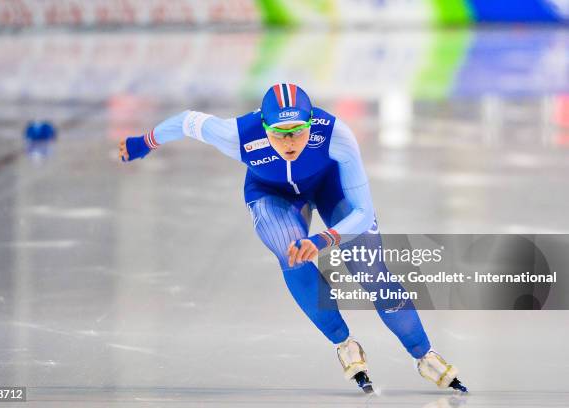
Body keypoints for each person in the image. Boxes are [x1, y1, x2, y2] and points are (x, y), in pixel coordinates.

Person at [119, 83, 467, 393]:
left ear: (311, 123)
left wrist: (323, 240)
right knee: (290, 253)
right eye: (280, 133)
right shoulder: (237, 133)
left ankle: (425, 354)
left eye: (298, 131)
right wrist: (144, 143)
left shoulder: (335, 133)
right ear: (264, 126)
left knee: (369, 269)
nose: (290, 142)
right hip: (272, 194)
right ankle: (344, 343)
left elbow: (361, 212)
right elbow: (185, 121)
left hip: (330, 188)